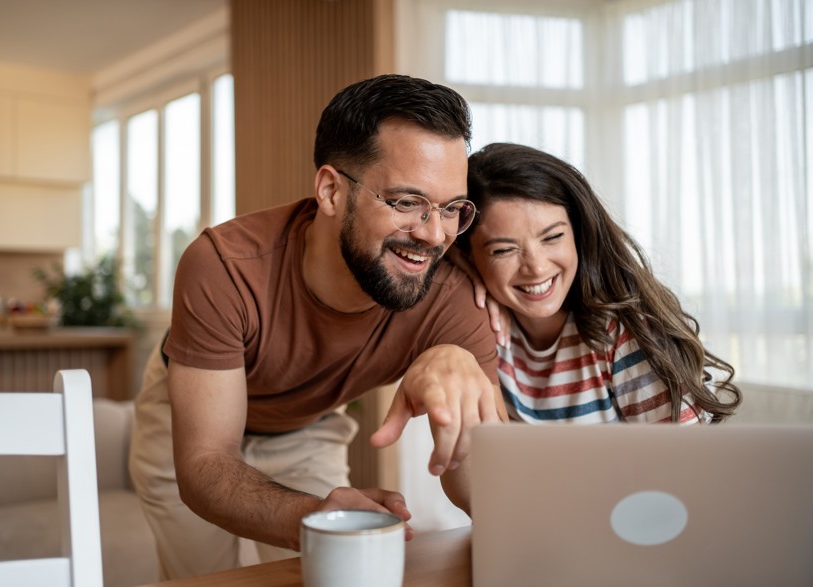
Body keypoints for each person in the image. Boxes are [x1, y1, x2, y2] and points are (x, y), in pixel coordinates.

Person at [129, 74, 505, 580]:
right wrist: (316, 517)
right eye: (405, 202)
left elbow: (485, 480)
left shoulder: (453, 294)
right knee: (204, 576)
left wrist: (463, 380)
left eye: (451, 208)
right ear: (331, 190)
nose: (434, 234)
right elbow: (204, 465)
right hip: (187, 418)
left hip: (307, 426)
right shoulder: (224, 265)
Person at [441, 142, 741, 511]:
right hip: (532, 538)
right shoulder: (477, 331)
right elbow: (477, 491)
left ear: (579, 234)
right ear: (468, 255)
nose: (535, 267)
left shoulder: (623, 333)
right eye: (503, 250)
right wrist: (459, 285)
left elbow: (693, 477)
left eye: (553, 237)